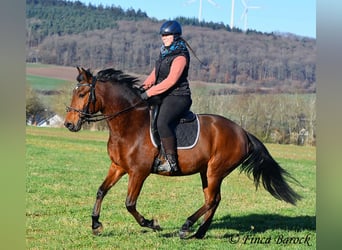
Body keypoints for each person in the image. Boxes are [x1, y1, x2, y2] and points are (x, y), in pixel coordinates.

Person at [140, 20, 192, 173]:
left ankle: (172, 162)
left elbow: (171, 81)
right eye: (162, 35)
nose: (164, 37)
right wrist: (143, 87)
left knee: (162, 122)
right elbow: (155, 74)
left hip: (179, 96)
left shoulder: (181, 56)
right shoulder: (164, 52)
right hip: (163, 94)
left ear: (175, 36)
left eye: (167, 35)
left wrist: (149, 93)